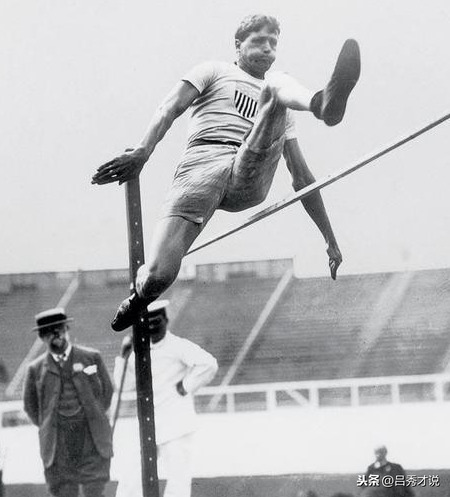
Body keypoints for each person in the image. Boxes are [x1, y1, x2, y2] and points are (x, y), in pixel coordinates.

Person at [91, 14, 361, 332]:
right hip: (201, 165)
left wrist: (329, 239)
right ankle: (139, 299)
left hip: (248, 169)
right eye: (259, 41)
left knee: (276, 84)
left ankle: (321, 103)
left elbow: (301, 177)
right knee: (157, 277)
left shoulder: (280, 100)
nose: (268, 49)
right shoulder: (214, 71)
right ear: (237, 44)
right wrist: (143, 151)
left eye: (273, 43)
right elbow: (170, 108)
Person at [113, 300, 218, 497]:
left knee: (178, 481)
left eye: (157, 320)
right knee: (130, 479)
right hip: (148, 425)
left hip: (176, 426)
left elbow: (209, 364)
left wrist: (185, 386)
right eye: (148, 320)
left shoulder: (179, 345)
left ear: (166, 320)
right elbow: (123, 386)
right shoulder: (139, 351)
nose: (152, 324)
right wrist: (122, 356)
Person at [23, 308, 114, 497]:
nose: (56, 335)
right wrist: (49, 423)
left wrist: (94, 414)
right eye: (49, 331)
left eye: (60, 328)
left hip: (91, 438)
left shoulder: (92, 357)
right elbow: (30, 407)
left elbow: (107, 391)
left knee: (94, 490)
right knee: (63, 492)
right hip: (57, 445)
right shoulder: (35, 369)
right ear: (41, 337)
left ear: (67, 329)